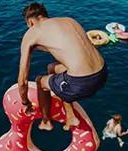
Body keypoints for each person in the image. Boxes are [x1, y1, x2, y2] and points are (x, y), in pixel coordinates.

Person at [18, 2, 107, 131]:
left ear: (30, 22)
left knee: (40, 81)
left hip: (82, 82)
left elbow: (22, 81)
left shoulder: (31, 33)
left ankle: (46, 122)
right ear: (45, 15)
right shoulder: (69, 20)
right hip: (102, 73)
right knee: (52, 68)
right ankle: (70, 116)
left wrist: (25, 102)